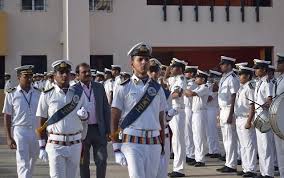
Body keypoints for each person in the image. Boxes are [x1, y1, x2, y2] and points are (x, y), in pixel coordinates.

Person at [111, 42, 166, 178]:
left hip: (153, 142)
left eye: (146, 59)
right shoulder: (123, 87)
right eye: (139, 59)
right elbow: (114, 118)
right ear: (132, 64)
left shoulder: (157, 89)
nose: (144, 62)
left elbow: (161, 119)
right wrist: (116, 147)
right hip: (132, 142)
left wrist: (163, 148)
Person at [36, 60, 89, 178]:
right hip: (55, 143)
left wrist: (85, 115)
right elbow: (41, 121)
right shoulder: (47, 95)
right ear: (54, 75)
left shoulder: (79, 93)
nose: (64, 75)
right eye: (61, 72)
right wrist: (41, 146)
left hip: (75, 142)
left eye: (67, 72)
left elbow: (87, 114)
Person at [2, 65, 41, 178]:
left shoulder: (39, 93)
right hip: (20, 131)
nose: (29, 79)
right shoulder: (11, 93)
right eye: (26, 76)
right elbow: (7, 116)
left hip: (35, 130)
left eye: (30, 76)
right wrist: (9, 137)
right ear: (19, 77)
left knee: (33, 159)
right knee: (23, 161)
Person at [76, 63, 111, 178]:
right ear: (77, 75)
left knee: (101, 160)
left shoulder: (98, 87)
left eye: (88, 71)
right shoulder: (74, 89)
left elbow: (106, 108)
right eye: (84, 72)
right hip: (82, 131)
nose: (87, 74)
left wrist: (108, 129)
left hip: (98, 129)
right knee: (83, 162)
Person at [216, 56, 240, 173]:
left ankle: (232, 165)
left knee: (230, 139)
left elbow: (234, 96)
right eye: (221, 64)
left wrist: (231, 114)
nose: (221, 66)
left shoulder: (233, 78)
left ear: (229, 65)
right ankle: (228, 162)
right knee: (226, 139)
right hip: (223, 110)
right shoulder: (224, 78)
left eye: (223, 64)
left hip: (229, 110)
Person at [253, 59, 275, 178]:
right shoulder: (259, 82)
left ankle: (268, 173)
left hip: (265, 115)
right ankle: (263, 171)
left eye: (258, 68)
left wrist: (265, 104)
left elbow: (270, 99)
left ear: (264, 70)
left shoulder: (268, 82)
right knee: (260, 145)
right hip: (259, 115)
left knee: (266, 145)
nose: (255, 70)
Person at [234, 66, 257, 177]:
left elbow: (252, 106)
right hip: (239, 118)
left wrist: (249, 121)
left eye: (241, 74)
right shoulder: (242, 87)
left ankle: (251, 169)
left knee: (249, 145)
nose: (239, 77)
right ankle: (245, 168)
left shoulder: (250, 87)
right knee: (243, 146)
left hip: (246, 118)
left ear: (247, 76)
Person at [167, 58, 188, 177]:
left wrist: (165, 97)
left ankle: (179, 169)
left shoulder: (181, 79)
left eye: (173, 67)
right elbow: (165, 78)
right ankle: (176, 167)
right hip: (172, 110)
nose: (171, 69)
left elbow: (177, 94)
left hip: (178, 111)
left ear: (179, 69)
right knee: (175, 140)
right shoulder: (174, 79)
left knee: (179, 140)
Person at [185, 70, 210, 167]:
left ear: (203, 79)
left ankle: (201, 159)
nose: (195, 79)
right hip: (195, 112)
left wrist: (183, 87)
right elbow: (188, 94)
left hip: (200, 113)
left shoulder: (204, 87)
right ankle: (197, 157)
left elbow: (190, 94)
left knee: (199, 136)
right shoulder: (198, 87)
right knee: (195, 136)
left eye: (198, 77)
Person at [183, 66, 198, 165]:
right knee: (186, 133)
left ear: (192, 74)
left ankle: (191, 154)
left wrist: (182, 89)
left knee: (189, 133)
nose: (185, 74)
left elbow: (189, 93)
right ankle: (188, 153)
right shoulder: (187, 83)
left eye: (187, 72)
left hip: (189, 109)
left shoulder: (193, 83)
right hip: (185, 108)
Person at [206, 70, 222, 158]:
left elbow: (209, 99)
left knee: (213, 131)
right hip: (207, 110)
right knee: (208, 131)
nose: (211, 79)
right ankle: (211, 149)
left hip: (213, 109)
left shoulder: (216, 88)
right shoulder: (210, 86)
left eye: (214, 77)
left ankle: (216, 150)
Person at [273, 53, 284, 178]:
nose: (278, 64)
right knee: (280, 150)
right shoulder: (280, 78)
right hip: (277, 117)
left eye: (280, 62)